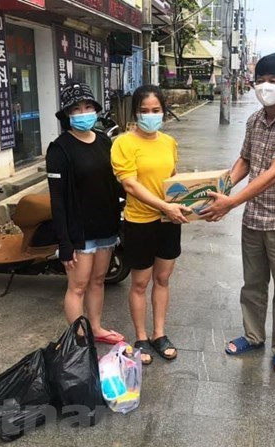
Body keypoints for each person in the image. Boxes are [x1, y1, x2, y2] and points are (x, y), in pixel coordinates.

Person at [202, 52, 275, 376]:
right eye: (260, 79)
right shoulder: (254, 120)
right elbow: (245, 161)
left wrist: (231, 203)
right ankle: (253, 336)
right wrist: (220, 188)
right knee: (252, 283)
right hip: (254, 219)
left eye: (274, 81)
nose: (265, 86)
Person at [111, 85, 192, 365]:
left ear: (163, 111)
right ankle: (142, 337)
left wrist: (185, 201)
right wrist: (164, 206)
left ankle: (159, 334)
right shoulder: (123, 143)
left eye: (155, 110)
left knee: (163, 279)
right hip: (140, 222)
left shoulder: (169, 142)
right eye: (144, 111)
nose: (150, 115)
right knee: (140, 282)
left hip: (168, 221)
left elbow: (171, 179)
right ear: (135, 112)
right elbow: (130, 184)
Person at [46, 82, 125, 345]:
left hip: (105, 225)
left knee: (98, 280)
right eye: (76, 108)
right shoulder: (60, 148)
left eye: (88, 107)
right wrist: (64, 243)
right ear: (67, 114)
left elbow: (113, 181)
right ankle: (79, 337)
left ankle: (97, 327)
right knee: (78, 286)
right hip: (79, 232)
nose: (84, 112)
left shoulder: (103, 140)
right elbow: (57, 199)